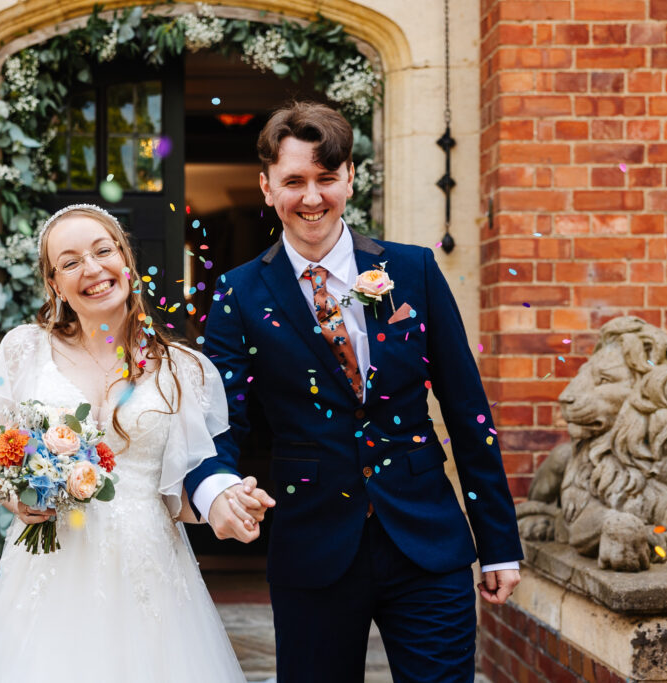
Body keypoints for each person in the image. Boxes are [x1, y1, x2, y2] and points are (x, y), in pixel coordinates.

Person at [184, 102, 524, 682]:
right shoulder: (239, 294)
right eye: (294, 181)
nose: (311, 197)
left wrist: (498, 541)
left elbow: (469, 411)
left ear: (349, 179)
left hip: (427, 541)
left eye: (325, 178)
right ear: (267, 188)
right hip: (313, 547)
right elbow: (221, 420)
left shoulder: (413, 270)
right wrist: (214, 486)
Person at [0, 204, 264, 682]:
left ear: (126, 260)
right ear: (54, 283)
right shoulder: (22, 350)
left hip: (149, 571)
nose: (93, 268)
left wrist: (225, 502)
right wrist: (16, 496)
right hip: (49, 566)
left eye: (103, 250)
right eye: (71, 260)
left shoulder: (185, 369)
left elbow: (181, 489)